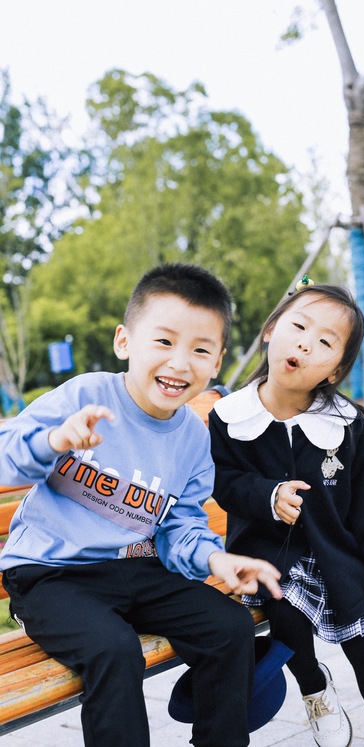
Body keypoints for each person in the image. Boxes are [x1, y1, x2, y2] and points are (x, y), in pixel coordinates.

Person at [0, 262, 282, 747]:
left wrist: (215, 559)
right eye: (164, 341)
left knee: (231, 627)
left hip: (136, 571)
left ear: (217, 363)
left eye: (200, 350)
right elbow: (6, 457)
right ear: (125, 341)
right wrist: (53, 441)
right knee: (113, 649)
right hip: (51, 575)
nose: (180, 363)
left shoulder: (193, 437)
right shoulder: (85, 395)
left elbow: (180, 528)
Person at [209, 279, 364, 747]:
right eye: (298, 327)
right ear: (270, 331)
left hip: (334, 550)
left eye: (324, 342)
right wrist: (267, 494)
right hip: (265, 552)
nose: (304, 343)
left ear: (334, 371)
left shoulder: (345, 425)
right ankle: (315, 688)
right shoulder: (231, 417)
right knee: (287, 615)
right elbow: (224, 481)